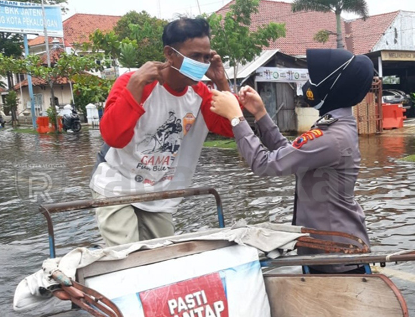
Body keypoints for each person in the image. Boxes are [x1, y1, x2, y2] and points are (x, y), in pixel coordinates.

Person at [209, 48, 374, 274]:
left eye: (313, 80)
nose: (308, 84)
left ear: (332, 86)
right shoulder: (334, 129)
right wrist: (260, 113)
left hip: (337, 256)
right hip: (328, 250)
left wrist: (237, 119)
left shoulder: (331, 137)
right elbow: (288, 153)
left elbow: (264, 164)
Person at [89, 17, 234, 247]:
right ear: (169, 53)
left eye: (206, 57)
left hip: (159, 190)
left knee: (165, 254)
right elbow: (114, 137)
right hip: (117, 185)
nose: (202, 63)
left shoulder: (199, 93)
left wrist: (221, 82)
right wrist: (135, 86)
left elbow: (230, 127)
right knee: (128, 255)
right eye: (195, 56)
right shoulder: (135, 82)